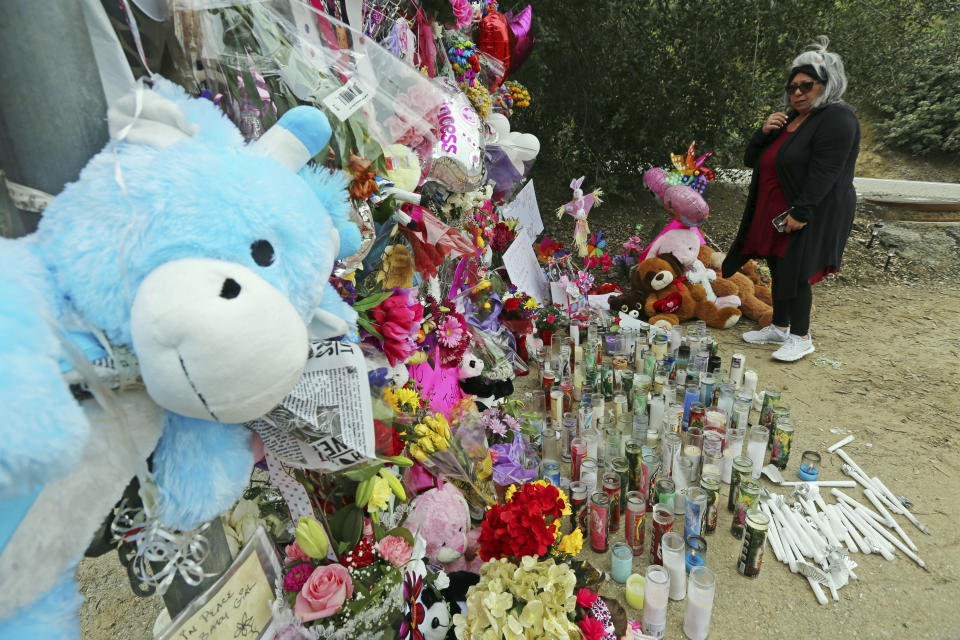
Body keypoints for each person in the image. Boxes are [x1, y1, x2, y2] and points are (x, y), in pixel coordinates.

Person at [722, 37, 860, 362]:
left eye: (806, 85)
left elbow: (827, 170)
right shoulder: (791, 118)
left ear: (827, 85)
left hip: (810, 209)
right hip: (776, 208)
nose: (796, 92)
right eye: (792, 86)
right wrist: (763, 133)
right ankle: (779, 327)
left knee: (796, 270)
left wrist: (801, 211)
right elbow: (751, 159)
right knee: (778, 265)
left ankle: (801, 336)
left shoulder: (838, 118)